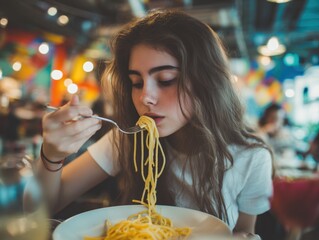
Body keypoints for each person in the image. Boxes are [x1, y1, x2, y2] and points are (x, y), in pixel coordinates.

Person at [37, 9, 273, 238]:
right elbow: (40, 209)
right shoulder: (129, 138)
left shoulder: (250, 157)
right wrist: (52, 154)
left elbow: (243, 231)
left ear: (206, 83)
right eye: (136, 83)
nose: (144, 97)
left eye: (165, 80)